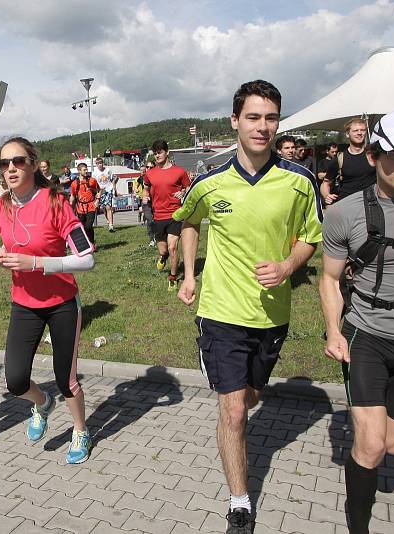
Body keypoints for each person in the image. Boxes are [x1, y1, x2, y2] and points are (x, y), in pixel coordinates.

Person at [174, 80, 322, 534]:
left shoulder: (299, 181)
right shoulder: (208, 182)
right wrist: (190, 274)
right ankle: (240, 503)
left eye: (271, 117)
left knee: (251, 397)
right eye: (254, 117)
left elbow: (310, 238)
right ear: (235, 121)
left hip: (272, 315)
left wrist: (287, 264)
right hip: (220, 311)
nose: (263, 126)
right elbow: (189, 222)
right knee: (234, 409)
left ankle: (235, 412)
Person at [319, 109, 394, 534]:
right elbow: (330, 279)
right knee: (369, 446)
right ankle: (359, 527)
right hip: (368, 336)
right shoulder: (345, 214)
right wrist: (334, 331)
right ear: (373, 156)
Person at [0, 137, 96, 464]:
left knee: (66, 378)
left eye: (18, 161)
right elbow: (12, 243)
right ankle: (42, 403)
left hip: (62, 302)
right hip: (24, 303)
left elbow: (87, 258)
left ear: (33, 165)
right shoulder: (1, 205)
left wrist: (37, 263)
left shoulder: (55, 201)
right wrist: (2, 255)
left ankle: (80, 429)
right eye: (4, 163)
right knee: (15, 380)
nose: (11, 168)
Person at [143, 139, 191, 291]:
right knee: (164, 250)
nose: (157, 155)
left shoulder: (179, 171)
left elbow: (189, 187)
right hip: (158, 216)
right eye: (155, 153)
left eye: (160, 152)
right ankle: (163, 257)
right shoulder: (150, 173)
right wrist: (145, 196)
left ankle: (173, 277)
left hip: (175, 214)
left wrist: (183, 192)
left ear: (167, 152)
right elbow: (145, 187)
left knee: (173, 248)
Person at [321, 118, 376, 205]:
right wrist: (327, 195)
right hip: (347, 205)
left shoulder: (375, 155)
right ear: (347, 134)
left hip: (372, 203)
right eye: (355, 130)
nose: (359, 133)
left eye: (362, 130)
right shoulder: (339, 159)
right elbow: (326, 183)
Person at [69, 162, 99, 245]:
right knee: (83, 227)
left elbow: (99, 191)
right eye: (84, 170)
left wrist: (97, 200)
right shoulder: (75, 183)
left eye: (87, 169)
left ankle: (92, 243)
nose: (86, 171)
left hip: (91, 206)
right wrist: (71, 204)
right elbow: (73, 196)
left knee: (88, 226)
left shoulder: (92, 180)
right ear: (79, 171)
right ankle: (87, 244)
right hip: (80, 208)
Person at [92, 157, 118, 232]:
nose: (100, 165)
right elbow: (93, 183)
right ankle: (108, 220)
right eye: (98, 163)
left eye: (101, 163)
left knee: (108, 207)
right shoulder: (95, 173)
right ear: (96, 164)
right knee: (103, 208)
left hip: (108, 190)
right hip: (100, 191)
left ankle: (111, 225)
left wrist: (114, 188)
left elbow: (113, 178)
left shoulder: (108, 170)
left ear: (103, 163)